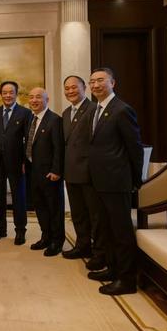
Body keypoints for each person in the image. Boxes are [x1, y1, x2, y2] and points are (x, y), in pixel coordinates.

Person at [87, 67, 143, 296]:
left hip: (117, 181)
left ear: (113, 83)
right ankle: (112, 269)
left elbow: (134, 148)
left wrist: (135, 180)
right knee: (106, 229)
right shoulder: (97, 109)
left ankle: (127, 279)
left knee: (121, 232)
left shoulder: (122, 110)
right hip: (99, 180)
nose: (95, 85)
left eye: (101, 80)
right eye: (92, 81)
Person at [61, 76, 107, 271]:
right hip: (71, 172)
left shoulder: (94, 109)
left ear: (84, 88)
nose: (70, 91)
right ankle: (82, 246)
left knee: (95, 216)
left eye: (74, 87)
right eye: (67, 88)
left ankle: (100, 253)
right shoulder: (65, 113)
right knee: (78, 214)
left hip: (89, 173)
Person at [0, 81, 31, 245]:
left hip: (17, 162)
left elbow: (28, 140)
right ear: (1, 94)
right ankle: (0, 229)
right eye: (5, 92)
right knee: (0, 197)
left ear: (16, 94)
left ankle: (20, 231)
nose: (8, 95)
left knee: (19, 197)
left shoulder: (25, 113)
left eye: (11, 92)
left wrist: (25, 161)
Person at [25, 88, 64, 257]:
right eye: (31, 97)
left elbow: (59, 148)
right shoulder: (30, 119)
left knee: (54, 209)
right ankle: (45, 237)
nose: (34, 100)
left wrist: (56, 170)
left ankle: (57, 241)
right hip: (33, 172)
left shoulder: (54, 120)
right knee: (40, 207)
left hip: (50, 174)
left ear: (47, 100)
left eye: (38, 97)